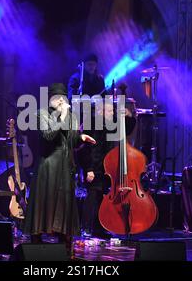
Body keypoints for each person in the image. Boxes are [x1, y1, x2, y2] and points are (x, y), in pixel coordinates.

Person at [23, 83, 96, 251]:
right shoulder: (41, 114)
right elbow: (48, 135)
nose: (61, 101)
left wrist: (81, 138)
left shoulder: (72, 116)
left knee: (64, 205)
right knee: (44, 203)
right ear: (51, 99)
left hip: (65, 167)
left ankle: (64, 246)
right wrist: (61, 117)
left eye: (63, 98)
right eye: (57, 98)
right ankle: (36, 245)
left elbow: (71, 140)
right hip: (48, 166)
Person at [81, 100, 136, 238]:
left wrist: (129, 116)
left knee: (103, 198)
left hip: (108, 168)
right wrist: (88, 169)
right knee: (93, 196)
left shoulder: (112, 123)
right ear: (101, 112)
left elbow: (127, 129)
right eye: (110, 111)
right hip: (93, 167)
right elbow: (84, 149)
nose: (113, 113)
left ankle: (100, 227)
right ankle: (86, 227)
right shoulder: (91, 124)